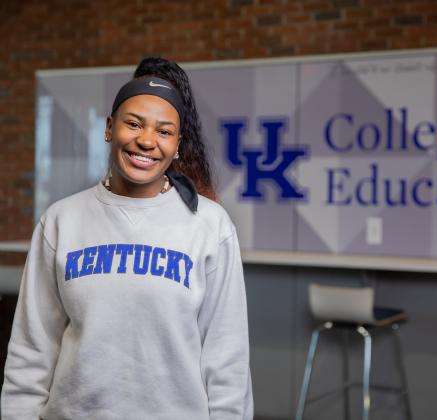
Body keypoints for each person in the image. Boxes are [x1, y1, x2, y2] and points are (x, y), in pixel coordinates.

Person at [1, 57, 253, 420]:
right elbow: (31, 350)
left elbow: (227, 359)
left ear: (178, 144)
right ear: (109, 128)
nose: (147, 141)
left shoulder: (210, 226)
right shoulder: (61, 221)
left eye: (164, 132)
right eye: (134, 124)